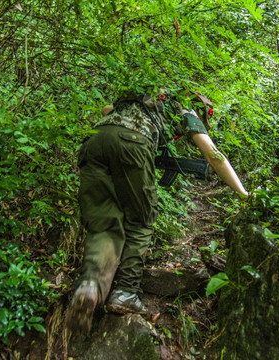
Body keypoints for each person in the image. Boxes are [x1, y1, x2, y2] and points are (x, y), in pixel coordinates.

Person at [67, 88, 248, 333]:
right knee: (141, 220)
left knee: (103, 225)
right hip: (133, 143)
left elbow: (105, 110)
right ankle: (126, 292)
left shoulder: (148, 95)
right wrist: (243, 194)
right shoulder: (185, 109)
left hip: (95, 139)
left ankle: (89, 287)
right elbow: (214, 156)